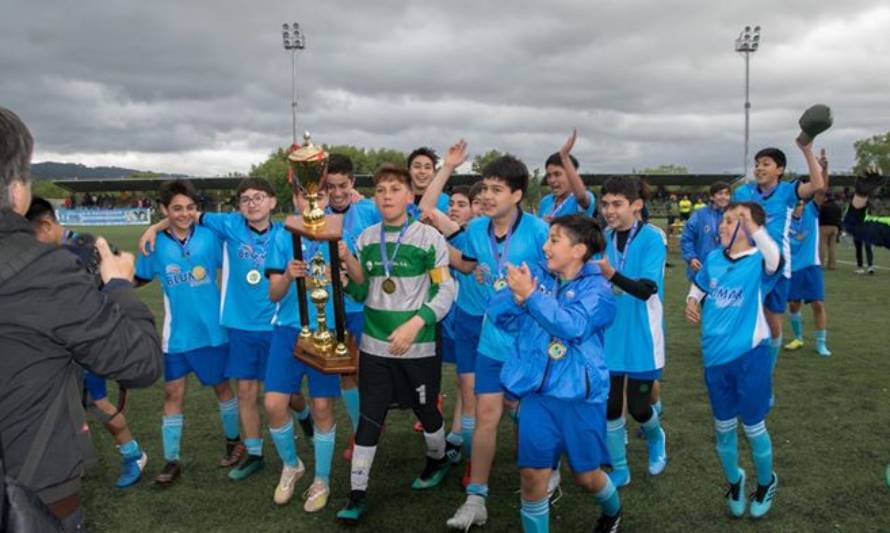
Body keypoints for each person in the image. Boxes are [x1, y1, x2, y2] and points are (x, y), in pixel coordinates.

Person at [0, 106, 162, 531]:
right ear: (17, 190)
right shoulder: (41, 270)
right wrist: (119, 286)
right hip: (31, 491)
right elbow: (140, 363)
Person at [139, 177, 309, 481]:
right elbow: (184, 214)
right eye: (245, 199)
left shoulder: (287, 233)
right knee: (246, 391)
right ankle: (254, 452)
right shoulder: (228, 225)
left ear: (273, 202)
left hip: (277, 323)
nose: (253, 204)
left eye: (259, 197)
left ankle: (305, 416)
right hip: (240, 324)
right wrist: (154, 227)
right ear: (238, 205)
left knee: (287, 393)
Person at [335, 164, 456, 524]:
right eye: (381, 190)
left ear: (409, 197)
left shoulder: (429, 238)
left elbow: (446, 289)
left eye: (394, 189)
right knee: (370, 417)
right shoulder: (367, 238)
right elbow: (362, 289)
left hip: (417, 346)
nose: (387, 195)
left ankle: (437, 459)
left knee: (426, 411)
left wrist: (414, 324)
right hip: (374, 347)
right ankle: (356, 493)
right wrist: (343, 272)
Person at [488, 214, 622, 533]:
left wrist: (531, 298)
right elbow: (499, 316)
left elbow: (572, 327)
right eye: (547, 238)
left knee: (586, 476)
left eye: (554, 239)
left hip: (580, 397)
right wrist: (517, 299)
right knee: (533, 476)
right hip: (537, 395)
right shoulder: (536, 274)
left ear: (578, 250)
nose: (545, 246)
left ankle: (613, 512)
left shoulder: (599, 290)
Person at [446, 155, 550, 531]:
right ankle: (476, 497)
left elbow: (558, 278)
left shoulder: (539, 232)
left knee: (528, 416)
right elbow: (471, 264)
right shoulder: (476, 229)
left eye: (496, 189)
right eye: (484, 188)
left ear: (517, 194)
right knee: (486, 416)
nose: (487, 196)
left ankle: (541, 475)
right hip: (491, 340)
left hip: (530, 343)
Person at [25, 197, 149, 490]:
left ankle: (133, 454)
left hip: (86, 344)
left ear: (46, 225)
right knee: (62, 406)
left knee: (97, 402)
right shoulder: (43, 255)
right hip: (53, 346)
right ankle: (72, 462)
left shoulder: (84, 245)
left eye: (29, 235)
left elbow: (124, 271)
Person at [132, 179, 242, 486]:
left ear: (198, 209)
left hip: (212, 331)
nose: (184, 214)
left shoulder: (209, 237)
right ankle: (172, 460)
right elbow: (139, 278)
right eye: (176, 208)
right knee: (172, 392)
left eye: (190, 208)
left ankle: (234, 442)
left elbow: (235, 261)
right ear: (165, 210)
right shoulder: (153, 244)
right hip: (176, 334)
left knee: (222, 388)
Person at [685, 202, 781, 519]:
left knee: (753, 427)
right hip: (715, 359)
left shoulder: (758, 262)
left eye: (730, 221)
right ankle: (734, 481)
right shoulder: (713, 258)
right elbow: (700, 287)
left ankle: (766, 483)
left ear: (748, 227)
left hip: (750, 357)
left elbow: (774, 257)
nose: (722, 226)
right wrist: (692, 301)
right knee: (723, 429)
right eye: (723, 220)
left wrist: (752, 225)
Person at [263, 189, 343, 512]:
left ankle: (321, 478)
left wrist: (345, 263)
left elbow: (353, 282)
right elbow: (273, 293)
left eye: (320, 195)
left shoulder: (337, 231)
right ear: (295, 199)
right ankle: (292, 465)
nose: (312, 201)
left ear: (327, 200)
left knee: (322, 407)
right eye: (304, 195)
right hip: (289, 331)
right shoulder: (283, 236)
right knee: (273, 404)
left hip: (327, 331)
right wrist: (287, 276)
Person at [732, 139, 826, 378]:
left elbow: (817, 184)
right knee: (745, 321)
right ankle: (744, 366)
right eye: (757, 164)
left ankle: (766, 373)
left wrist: (806, 149)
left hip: (777, 270)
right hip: (748, 267)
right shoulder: (744, 192)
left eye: (766, 163)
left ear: (780, 170)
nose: (759, 168)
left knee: (774, 325)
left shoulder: (786, 192)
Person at [596, 176, 667, 487]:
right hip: (609, 333)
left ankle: (656, 438)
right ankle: (620, 467)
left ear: (636, 205)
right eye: (605, 204)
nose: (609, 210)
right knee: (611, 406)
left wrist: (611, 273)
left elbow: (646, 290)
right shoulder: (603, 237)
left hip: (642, 334)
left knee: (638, 408)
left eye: (617, 204)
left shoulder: (653, 238)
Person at [321, 154, 381, 462]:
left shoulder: (371, 210)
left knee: (368, 371)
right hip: (333, 308)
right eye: (330, 186)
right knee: (346, 371)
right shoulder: (315, 214)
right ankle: (360, 432)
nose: (338, 192)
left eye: (343, 185)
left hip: (370, 304)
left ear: (353, 183)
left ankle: (371, 426)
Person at [784, 156, 832, 357]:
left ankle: (821, 343)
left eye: (801, 203)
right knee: (793, 304)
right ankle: (798, 338)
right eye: (796, 203)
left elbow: (821, 191)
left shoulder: (811, 213)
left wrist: (824, 169)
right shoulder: (783, 219)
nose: (799, 205)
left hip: (811, 267)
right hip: (791, 268)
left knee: (818, 304)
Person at [536, 130, 595, 222]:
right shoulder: (545, 202)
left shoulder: (580, 199)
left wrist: (564, 157)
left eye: (557, 174)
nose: (552, 180)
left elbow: (581, 197)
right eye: (549, 175)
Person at [680, 182, 731, 281]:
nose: (724, 197)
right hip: (702, 268)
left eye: (727, 194)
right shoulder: (699, 215)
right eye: (720, 194)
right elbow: (687, 238)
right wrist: (691, 258)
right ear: (712, 197)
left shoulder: (734, 215)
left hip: (726, 269)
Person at [408, 146, 450, 215]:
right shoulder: (396, 199)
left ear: (434, 173)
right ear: (409, 171)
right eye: (417, 166)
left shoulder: (445, 201)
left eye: (427, 167)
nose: (422, 171)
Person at [818, 192, 842, 270]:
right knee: (832, 247)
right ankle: (832, 265)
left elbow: (819, 216)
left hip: (824, 226)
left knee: (822, 246)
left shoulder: (823, 206)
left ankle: (820, 263)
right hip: (835, 227)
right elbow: (840, 218)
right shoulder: (837, 207)